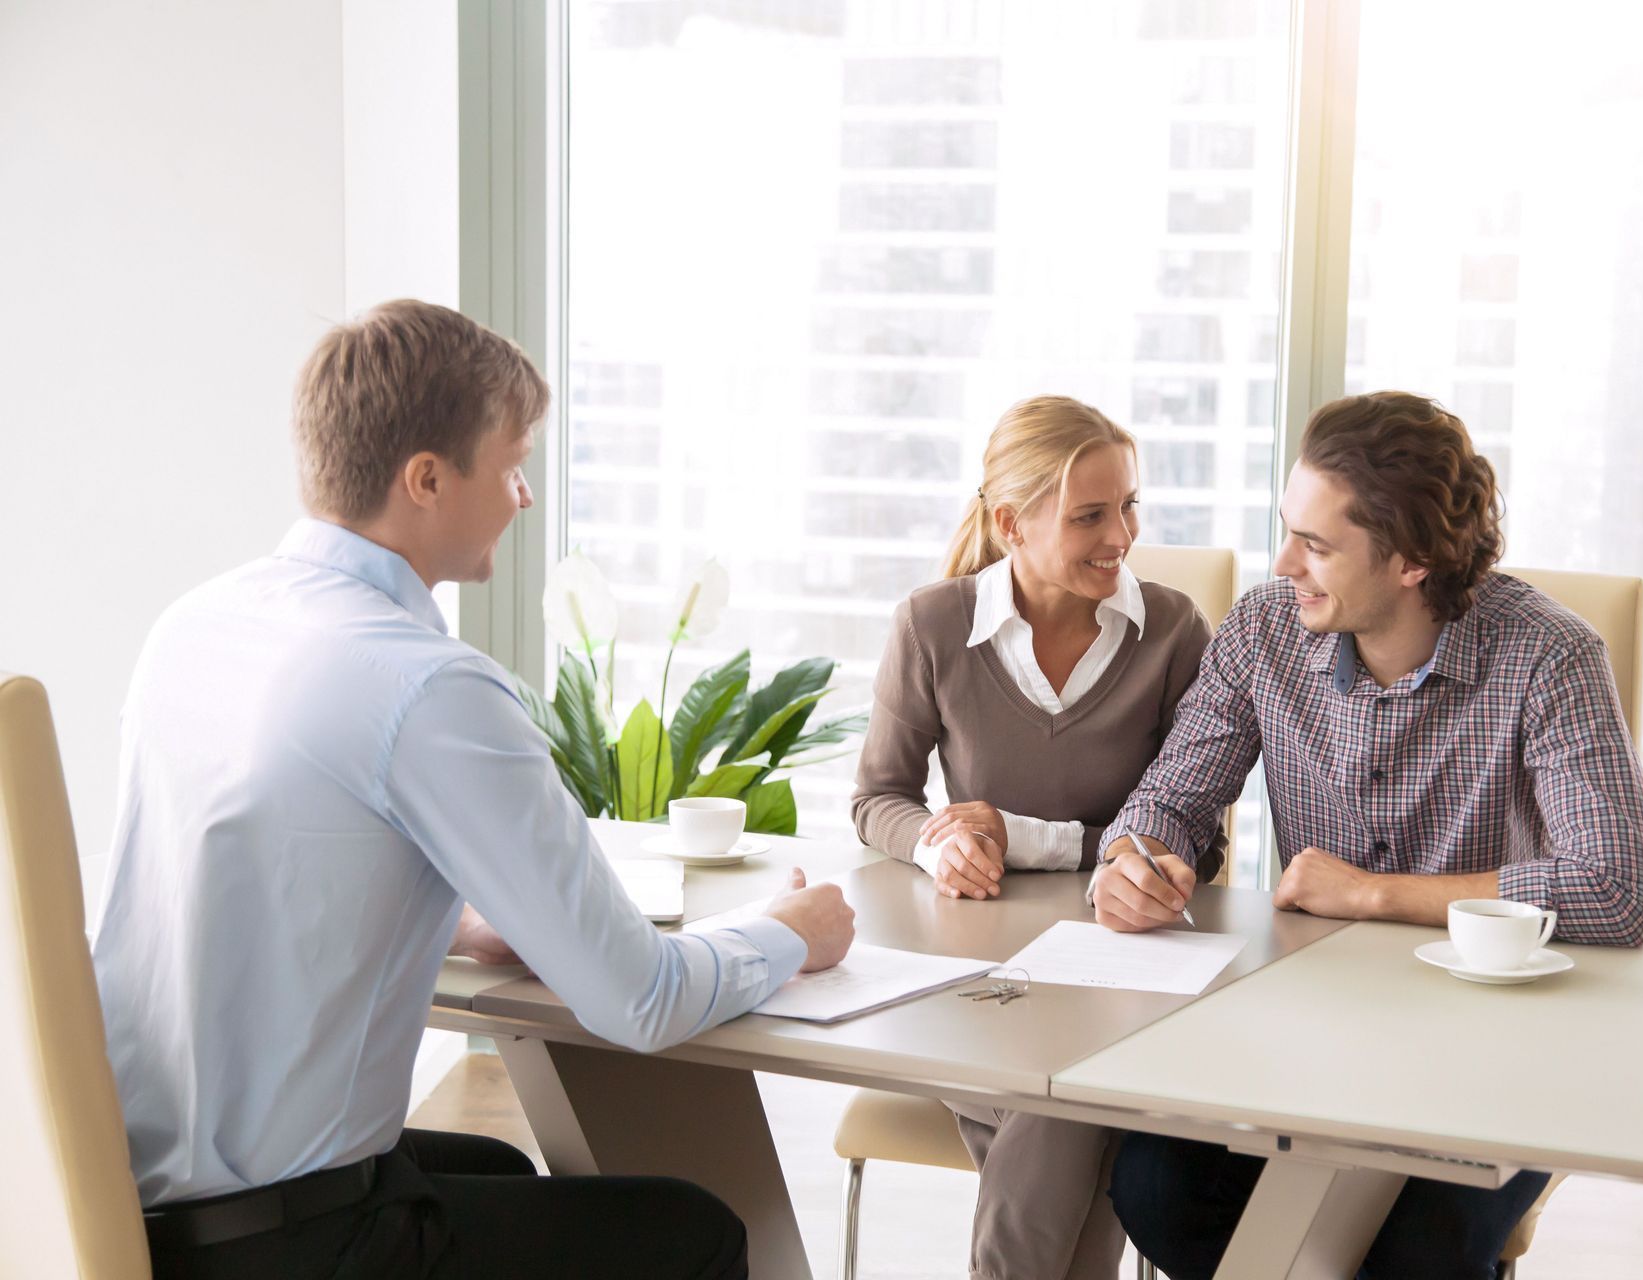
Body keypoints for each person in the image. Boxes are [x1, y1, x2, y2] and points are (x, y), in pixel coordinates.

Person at [91, 299, 856, 1280]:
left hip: (142, 1203)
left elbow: (248, 859)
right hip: (294, 1243)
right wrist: (793, 928)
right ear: (425, 479)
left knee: (495, 1165)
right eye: (511, 462)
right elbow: (641, 998)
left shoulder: (197, 624)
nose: (523, 494)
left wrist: (454, 922)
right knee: (696, 1231)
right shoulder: (424, 682)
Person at [1093, 391, 1643, 1280]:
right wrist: (1132, 858)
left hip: (1498, 1053)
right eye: (1289, 532)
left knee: (1416, 1252)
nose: (1284, 564)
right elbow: (1169, 799)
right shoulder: (1263, 630)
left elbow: (1612, 890)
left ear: (1416, 560)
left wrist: (1375, 895)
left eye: (1316, 546)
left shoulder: (1551, 657)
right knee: (1156, 1184)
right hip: (1306, 1034)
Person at [849, 395, 1224, 1280]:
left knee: (1067, 1093)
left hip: (1120, 973)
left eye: (1128, 506)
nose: (1121, 535)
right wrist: (939, 844)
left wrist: (1027, 838)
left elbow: (1197, 847)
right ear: (1011, 523)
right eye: (1090, 514)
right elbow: (878, 800)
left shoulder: (1172, 632)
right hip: (961, 976)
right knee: (1076, 1105)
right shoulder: (932, 626)